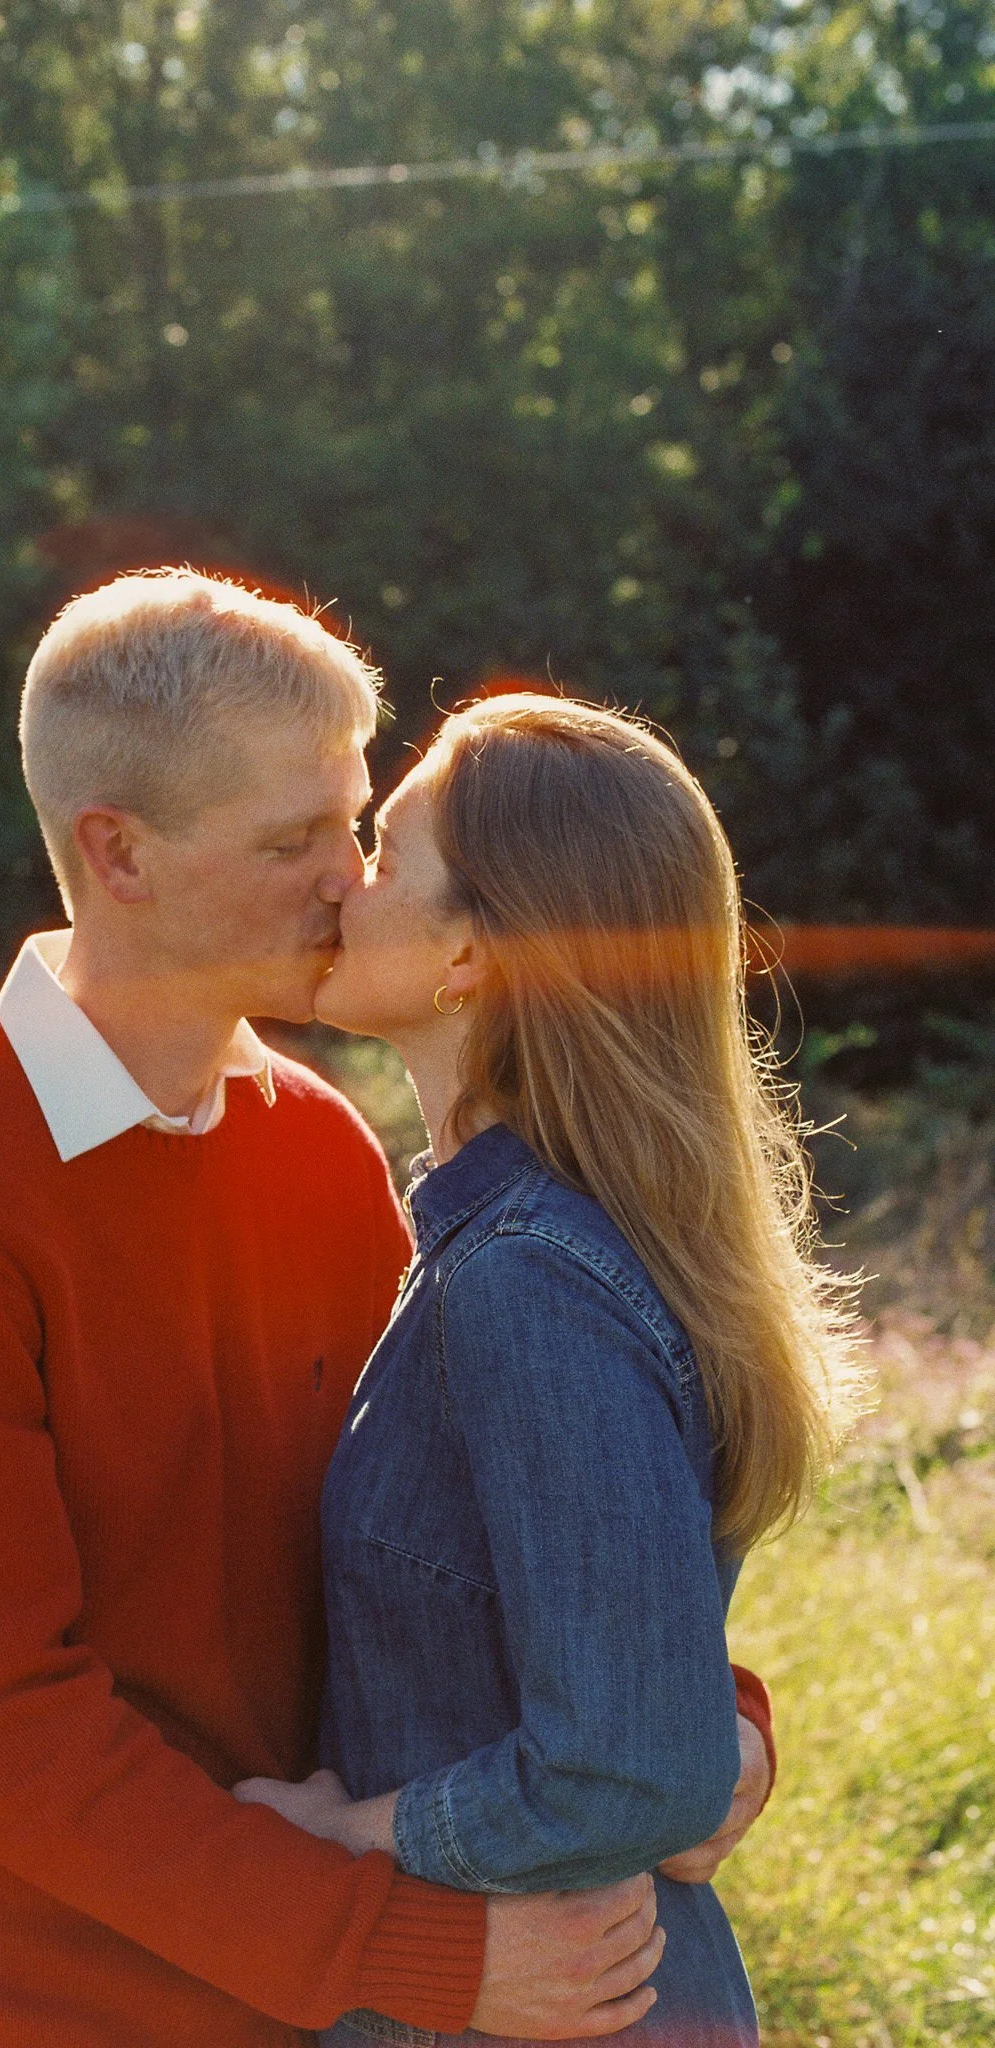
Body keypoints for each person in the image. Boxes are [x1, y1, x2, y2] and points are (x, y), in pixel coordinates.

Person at [0, 577, 773, 2048]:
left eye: (356, 823)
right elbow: (8, 1738)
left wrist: (713, 1730)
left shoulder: (318, 1147)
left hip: (331, 2000)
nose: (348, 878)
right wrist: (415, 1947)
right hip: (66, 2010)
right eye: (293, 840)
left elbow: (462, 1548)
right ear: (118, 853)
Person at [235, 693, 864, 2045]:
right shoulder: (510, 1243)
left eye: (388, 854)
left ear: (473, 952)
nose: (347, 877)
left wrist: (339, 1830)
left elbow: (626, 1767)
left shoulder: (527, 1281)